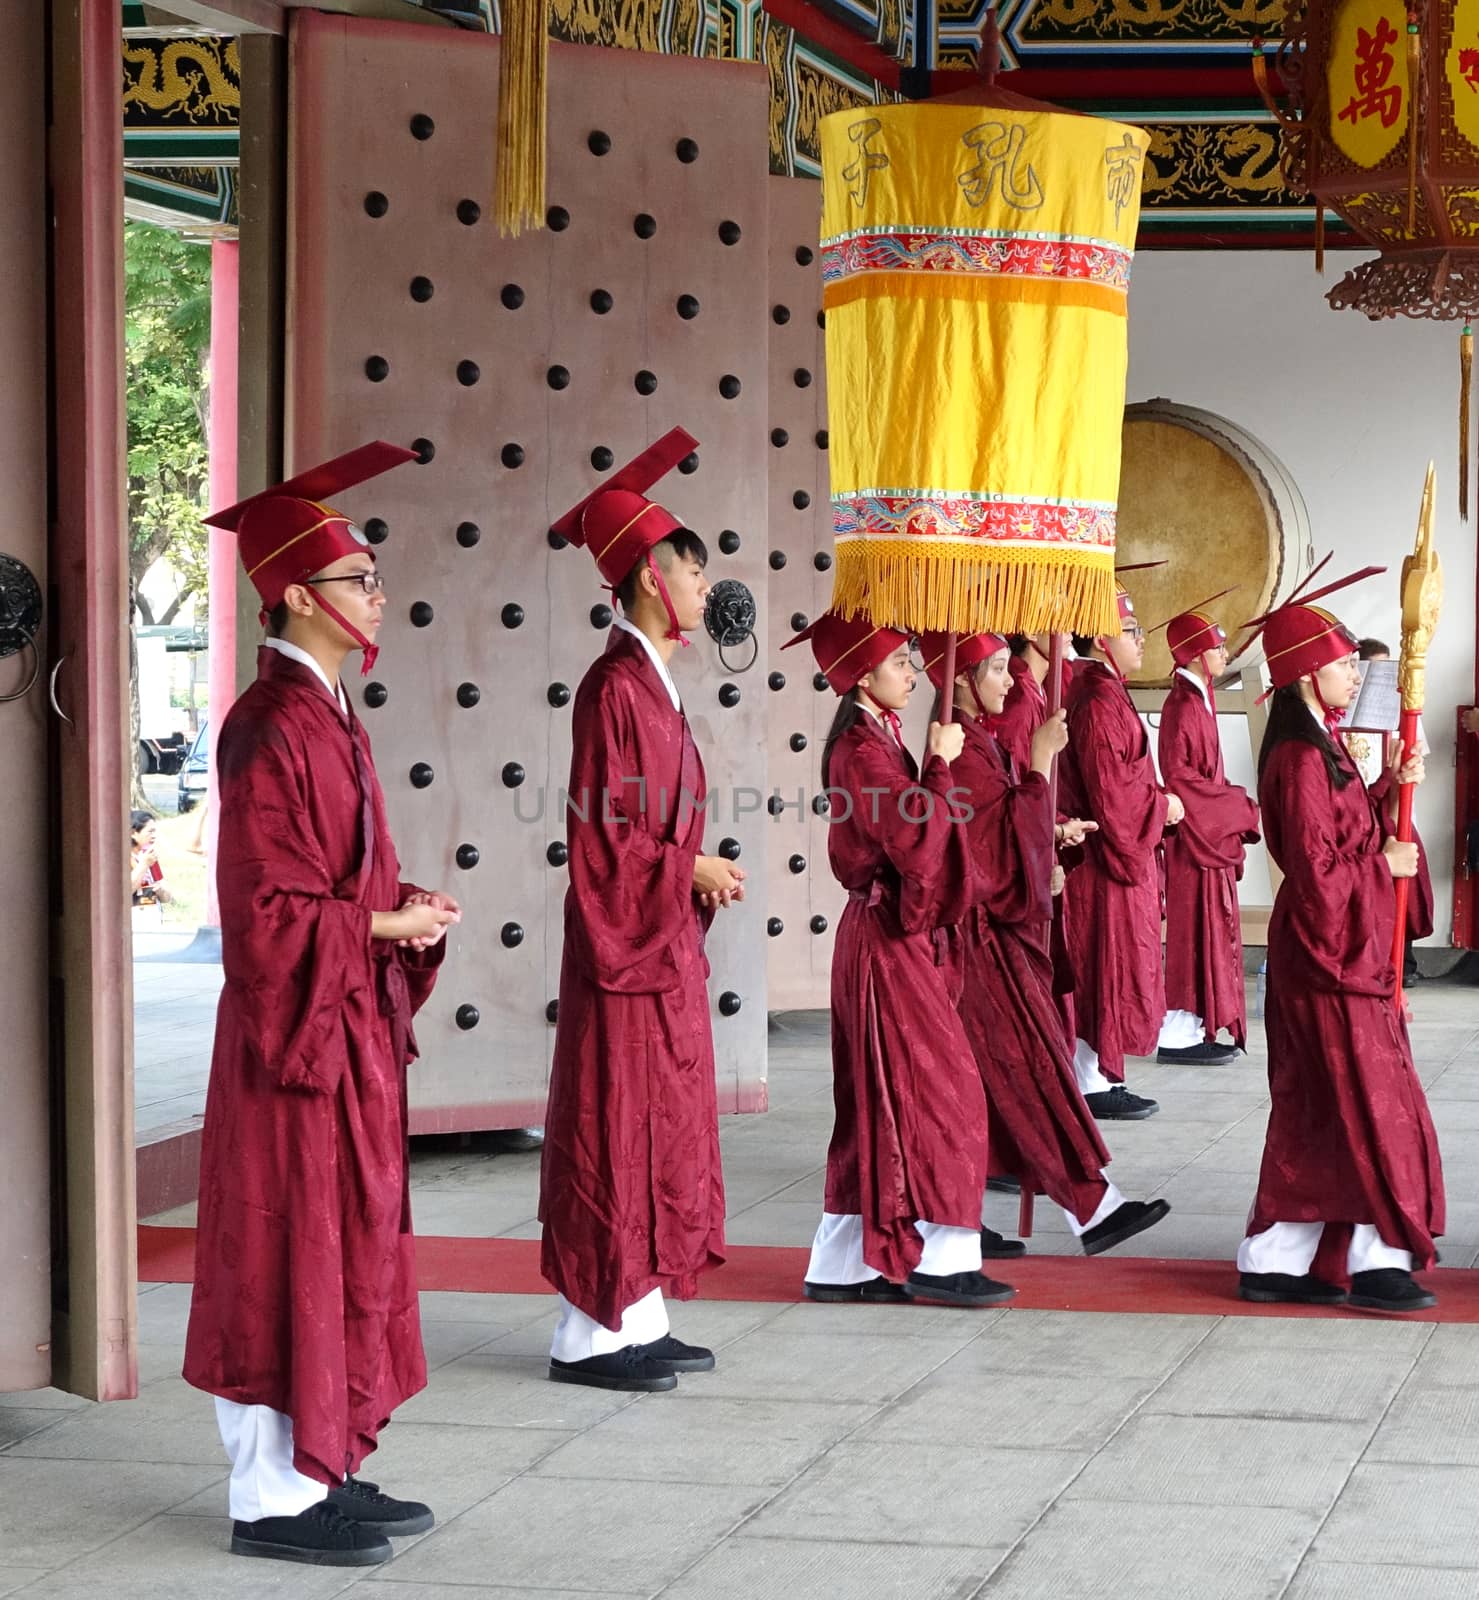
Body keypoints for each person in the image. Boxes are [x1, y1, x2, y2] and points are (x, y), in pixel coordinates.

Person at [184, 443, 461, 1567]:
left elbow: (328, 878)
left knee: (335, 1244)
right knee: (277, 1248)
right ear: (296, 592)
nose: (377, 596)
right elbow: (263, 917)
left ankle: (318, 1464)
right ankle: (268, 1497)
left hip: (337, 1028)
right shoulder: (268, 722)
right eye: (360, 579)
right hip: (285, 1038)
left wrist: (402, 901)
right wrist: (376, 925)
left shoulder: (330, 712)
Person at [538, 429, 741, 1395]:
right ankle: (588, 1335)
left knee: (656, 1123)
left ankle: (639, 1313)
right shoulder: (614, 687)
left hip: (659, 939)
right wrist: (683, 866)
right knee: (613, 1123)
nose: (706, 589)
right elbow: (605, 841)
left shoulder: (653, 687)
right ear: (653, 579)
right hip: (625, 940)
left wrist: (692, 869)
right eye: (694, 573)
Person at [920, 631, 1172, 1255]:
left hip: (994, 936)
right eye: (997, 671)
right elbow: (980, 853)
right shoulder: (959, 753)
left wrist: (1051, 839)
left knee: (999, 1079)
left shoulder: (976, 741)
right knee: (1026, 1069)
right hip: (977, 942)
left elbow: (1008, 827)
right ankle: (1088, 1207)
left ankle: (967, 1216)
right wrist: (1037, 763)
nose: (1011, 682)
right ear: (959, 681)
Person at [787, 611, 1011, 1309]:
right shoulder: (859, 751)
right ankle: (943, 1256)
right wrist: (941, 763)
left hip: (888, 935)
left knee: (872, 1100)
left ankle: (840, 1263)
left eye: (912, 664)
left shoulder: (872, 738)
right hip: (885, 940)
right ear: (861, 673)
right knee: (945, 1092)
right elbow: (914, 842)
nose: (914, 676)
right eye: (899, 666)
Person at [1237, 576, 1443, 1311]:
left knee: (1326, 1108)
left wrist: (1387, 788)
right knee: (1361, 1103)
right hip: (1324, 955)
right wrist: (1379, 866)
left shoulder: (1319, 742)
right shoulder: (1295, 757)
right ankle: (1374, 1255)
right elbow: (1316, 870)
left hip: (1334, 955)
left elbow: (1338, 834)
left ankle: (1278, 1258)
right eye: (1345, 662)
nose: (1356, 674)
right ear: (1302, 672)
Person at [1060, 582, 1184, 1119]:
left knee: (1113, 971)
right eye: (1131, 630)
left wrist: (1156, 804)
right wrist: (1162, 806)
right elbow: (1115, 795)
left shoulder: (1107, 691)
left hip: (1120, 854)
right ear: (1101, 640)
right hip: (1104, 860)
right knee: (1101, 972)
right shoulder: (1095, 698)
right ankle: (1088, 1080)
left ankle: (1096, 1075)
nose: (1141, 640)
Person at [1155, 604, 1260, 1064]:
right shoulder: (1182, 704)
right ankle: (1177, 1032)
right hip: (1193, 840)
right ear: (1196, 655)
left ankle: (1196, 1024)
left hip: (1205, 834)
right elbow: (1180, 779)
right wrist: (1236, 806)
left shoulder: (1198, 698)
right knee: (1190, 934)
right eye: (1217, 646)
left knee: (1209, 932)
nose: (1224, 652)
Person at [1347, 638, 1433, 985]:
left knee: (1407, 875)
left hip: (1391, 806)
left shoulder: (1397, 705)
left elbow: (1417, 752)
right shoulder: (1339, 712)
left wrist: (1402, 770)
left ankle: (1404, 958)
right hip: (1356, 810)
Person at [130, 809, 173, 905]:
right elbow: (126, 891)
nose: (154, 836)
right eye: (150, 832)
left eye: (154, 831)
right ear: (133, 833)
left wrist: (161, 891)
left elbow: (167, 897)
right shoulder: (124, 858)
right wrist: (144, 864)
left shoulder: (149, 856)